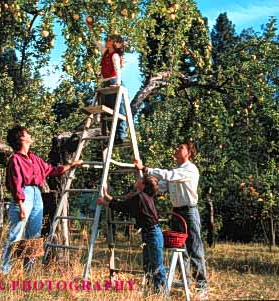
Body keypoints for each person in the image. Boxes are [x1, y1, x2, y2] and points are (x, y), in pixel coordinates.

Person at [0, 125, 83, 275]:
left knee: (34, 235)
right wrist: (21, 205)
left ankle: (29, 272)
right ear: (21, 138)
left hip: (36, 194)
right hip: (23, 195)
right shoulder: (15, 160)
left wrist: (71, 165)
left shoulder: (34, 158)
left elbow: (52, 170)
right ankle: (4, 271)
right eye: (27, 133)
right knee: (15, 234)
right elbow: (15, 184)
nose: (30, 135)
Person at [134, 142, 209, 299]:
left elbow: (169, 176)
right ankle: (186, 284)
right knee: (181, 250)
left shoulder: (190, 169)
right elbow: (160, 186)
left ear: (189, 153)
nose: (176, 149)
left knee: (195, 248)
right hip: (176, 213)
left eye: (180, 148)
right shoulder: (175, 172)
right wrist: (144, 185)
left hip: (189, 211)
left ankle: (202, 287)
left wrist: (146, 169)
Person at [97, 176, 166, 292]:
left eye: (140, 179)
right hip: (150, 232)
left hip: (152, 233)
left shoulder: (139, 197)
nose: (137, 179)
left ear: (143, 185)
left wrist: (105, 202)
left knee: (157, 266)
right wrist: (107, 197)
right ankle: (152, 292)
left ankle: (162, 294)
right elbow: (124, 205)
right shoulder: (142, 197)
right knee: (148, 265)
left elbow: (123, 207)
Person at [87, 20, 127, 144]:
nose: (106, 41)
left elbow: (117, 70)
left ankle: (121, 134)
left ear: (114, 43)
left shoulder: (115, 55)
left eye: (109, 40)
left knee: (118, 108)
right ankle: (112, 134)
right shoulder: (105, 52)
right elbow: (95, 41)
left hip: (114, 82)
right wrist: (90, 28)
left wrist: (118, 83)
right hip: (106, 83)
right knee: (108, 109)